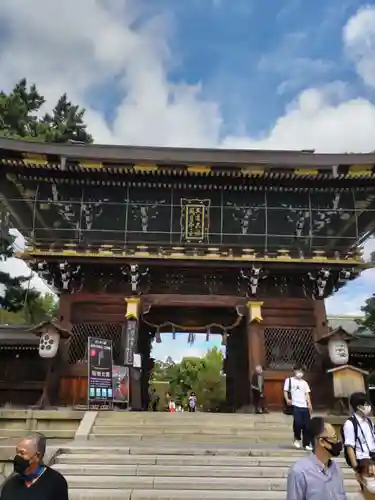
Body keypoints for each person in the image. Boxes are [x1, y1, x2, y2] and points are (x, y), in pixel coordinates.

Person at [286, 416, 346, 500]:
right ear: (322, 442)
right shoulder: (299, 472)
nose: (338, 442)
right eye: (334, 437)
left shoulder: (336, 468)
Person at [0, 433, 68, 500]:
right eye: (17, 452)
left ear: (37, 456)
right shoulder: (10, 484)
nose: (17, 457)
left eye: (22, 453)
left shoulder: (56, 482)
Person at [343, 392, 375, 472]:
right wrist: (356, 467)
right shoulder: (350, 423)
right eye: (366, 404)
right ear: (359, 407)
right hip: (362, 460)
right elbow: (349, 446)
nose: (369, 407)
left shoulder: (369, 421)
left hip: (372, 458)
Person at [284, 364, 313, 451]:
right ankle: (297, 439)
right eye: (298, 371)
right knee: (297, 423)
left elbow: (307, 394)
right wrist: (287, 399)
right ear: (294, 371)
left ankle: (306, 444)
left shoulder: (304, 383)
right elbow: (285, 391)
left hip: (304, 405)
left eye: (302, 371)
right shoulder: (289, 380)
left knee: (307, 426)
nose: (300, 373)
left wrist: (309, 404)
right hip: (295, 404)